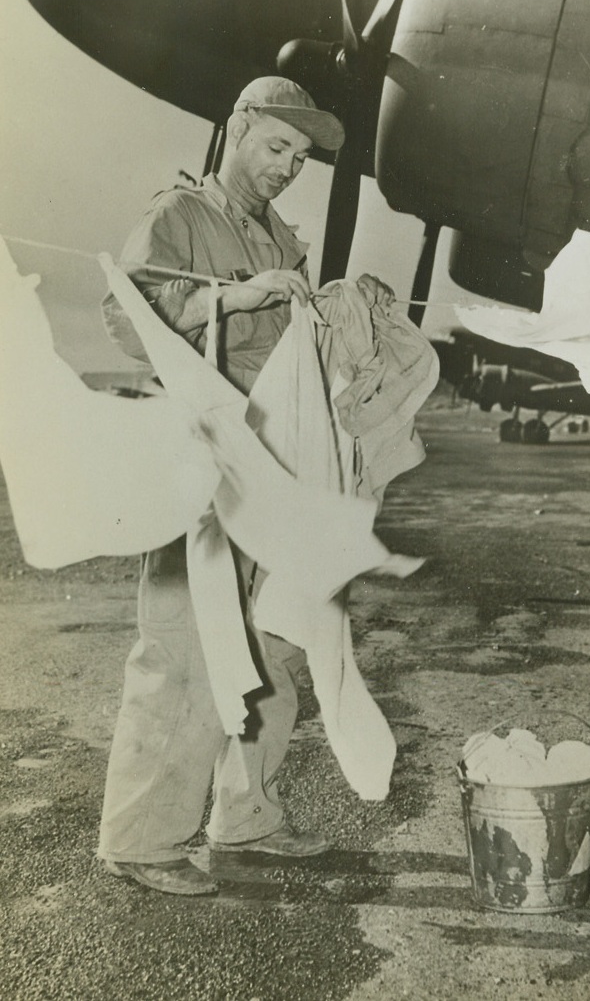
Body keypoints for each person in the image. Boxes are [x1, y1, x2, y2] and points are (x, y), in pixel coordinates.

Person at [98, 76, 393, 896]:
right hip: (203, 463)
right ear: (236, 129)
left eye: (299, 159)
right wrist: (232, 296)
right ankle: (142, 839)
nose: (286, 169)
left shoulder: (280, 238)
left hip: (275, 466)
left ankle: (246, 811)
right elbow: (127, 318)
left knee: (270, 644)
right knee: (187, 651)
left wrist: (343, 312)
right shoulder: (180, 214)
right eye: (275, 148)